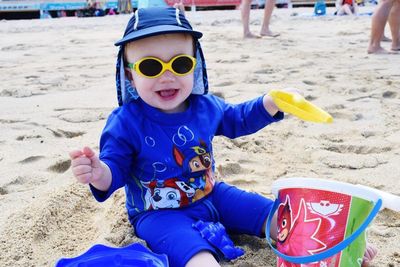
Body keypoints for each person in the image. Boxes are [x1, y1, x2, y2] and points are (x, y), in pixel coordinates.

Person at [69, 7, 377, 267]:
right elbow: (115, 170)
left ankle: (337, 246)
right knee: (195, 253)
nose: (167, 75)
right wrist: (98, 173)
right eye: (150, 66)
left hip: (213, 195)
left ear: (195, 64)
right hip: (158, 213)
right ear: (128, 74)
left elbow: (238, 119)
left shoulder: (205, 106)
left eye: (180, 63)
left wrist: (270, 103)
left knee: (277, 215)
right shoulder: (125, 122)